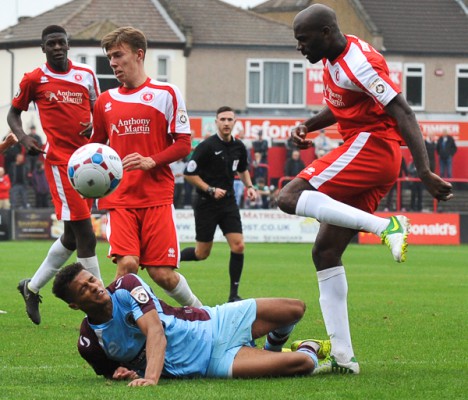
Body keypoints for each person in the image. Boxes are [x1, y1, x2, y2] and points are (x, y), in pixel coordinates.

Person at [277, 4, 453, 374]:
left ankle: (386, 227)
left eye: (303, 39)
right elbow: (341, 105)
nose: (299, 47)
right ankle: (344, 359)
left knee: (287, 196)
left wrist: (424, 170)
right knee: (325, 252)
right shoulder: (332, 57)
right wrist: (309, 125)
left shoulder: (358, 62)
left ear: (326, 32)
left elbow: (403, 111)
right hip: (368, 151)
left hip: (372, 147)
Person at [52, 262, 331, 386]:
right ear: (74, 305)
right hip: (213, 363)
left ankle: (272, 349)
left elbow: (156, 332)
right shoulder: (89, 343)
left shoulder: (127, 286)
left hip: (214, 322)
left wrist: (151, 378)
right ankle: (307, 346)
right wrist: (122, 373)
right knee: (304, 365)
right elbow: (112, 372)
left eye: (92, 280)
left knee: (295, 309)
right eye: (84, 290)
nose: (94, 287)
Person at [89, 26, 201, 308]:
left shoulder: (166, 93)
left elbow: (184, 143)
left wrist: (153, 160)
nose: (112, 63)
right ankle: (110, 327)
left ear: (139, 55)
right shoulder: (104, 101)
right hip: (121, 199)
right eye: (109, 57)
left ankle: (203, 315)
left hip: (156, 196)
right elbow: (96, 149)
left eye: (118, 55)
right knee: (127, 264)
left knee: (162, 274)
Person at [8, 25, 102, 325]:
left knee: (71, 238)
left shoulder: (86, 75)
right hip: (60, 163)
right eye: (51, 44)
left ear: (68, 45)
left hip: (88, 164)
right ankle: (104, 302)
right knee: (87, 236)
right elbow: (13, 113)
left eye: (61, 42)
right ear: (43, 48)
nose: (57, 47)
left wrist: (94, 125)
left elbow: (98, 108)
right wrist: (23, 138)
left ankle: (32, 288)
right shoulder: (35, 79)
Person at [181, 106, 257, 303]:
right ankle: (169, 258)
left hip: (228, 202)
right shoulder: (206, 146)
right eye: (222, 119)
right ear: (216, 122)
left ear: (234, 122)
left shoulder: (239, 147)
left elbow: (242, 169)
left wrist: (250, 186)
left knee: (239, 245)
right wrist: (210, 189)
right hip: (206, 203)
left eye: (229, 119)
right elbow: (189, 174)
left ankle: (233, 295)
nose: (226, 123)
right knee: (201, 253)